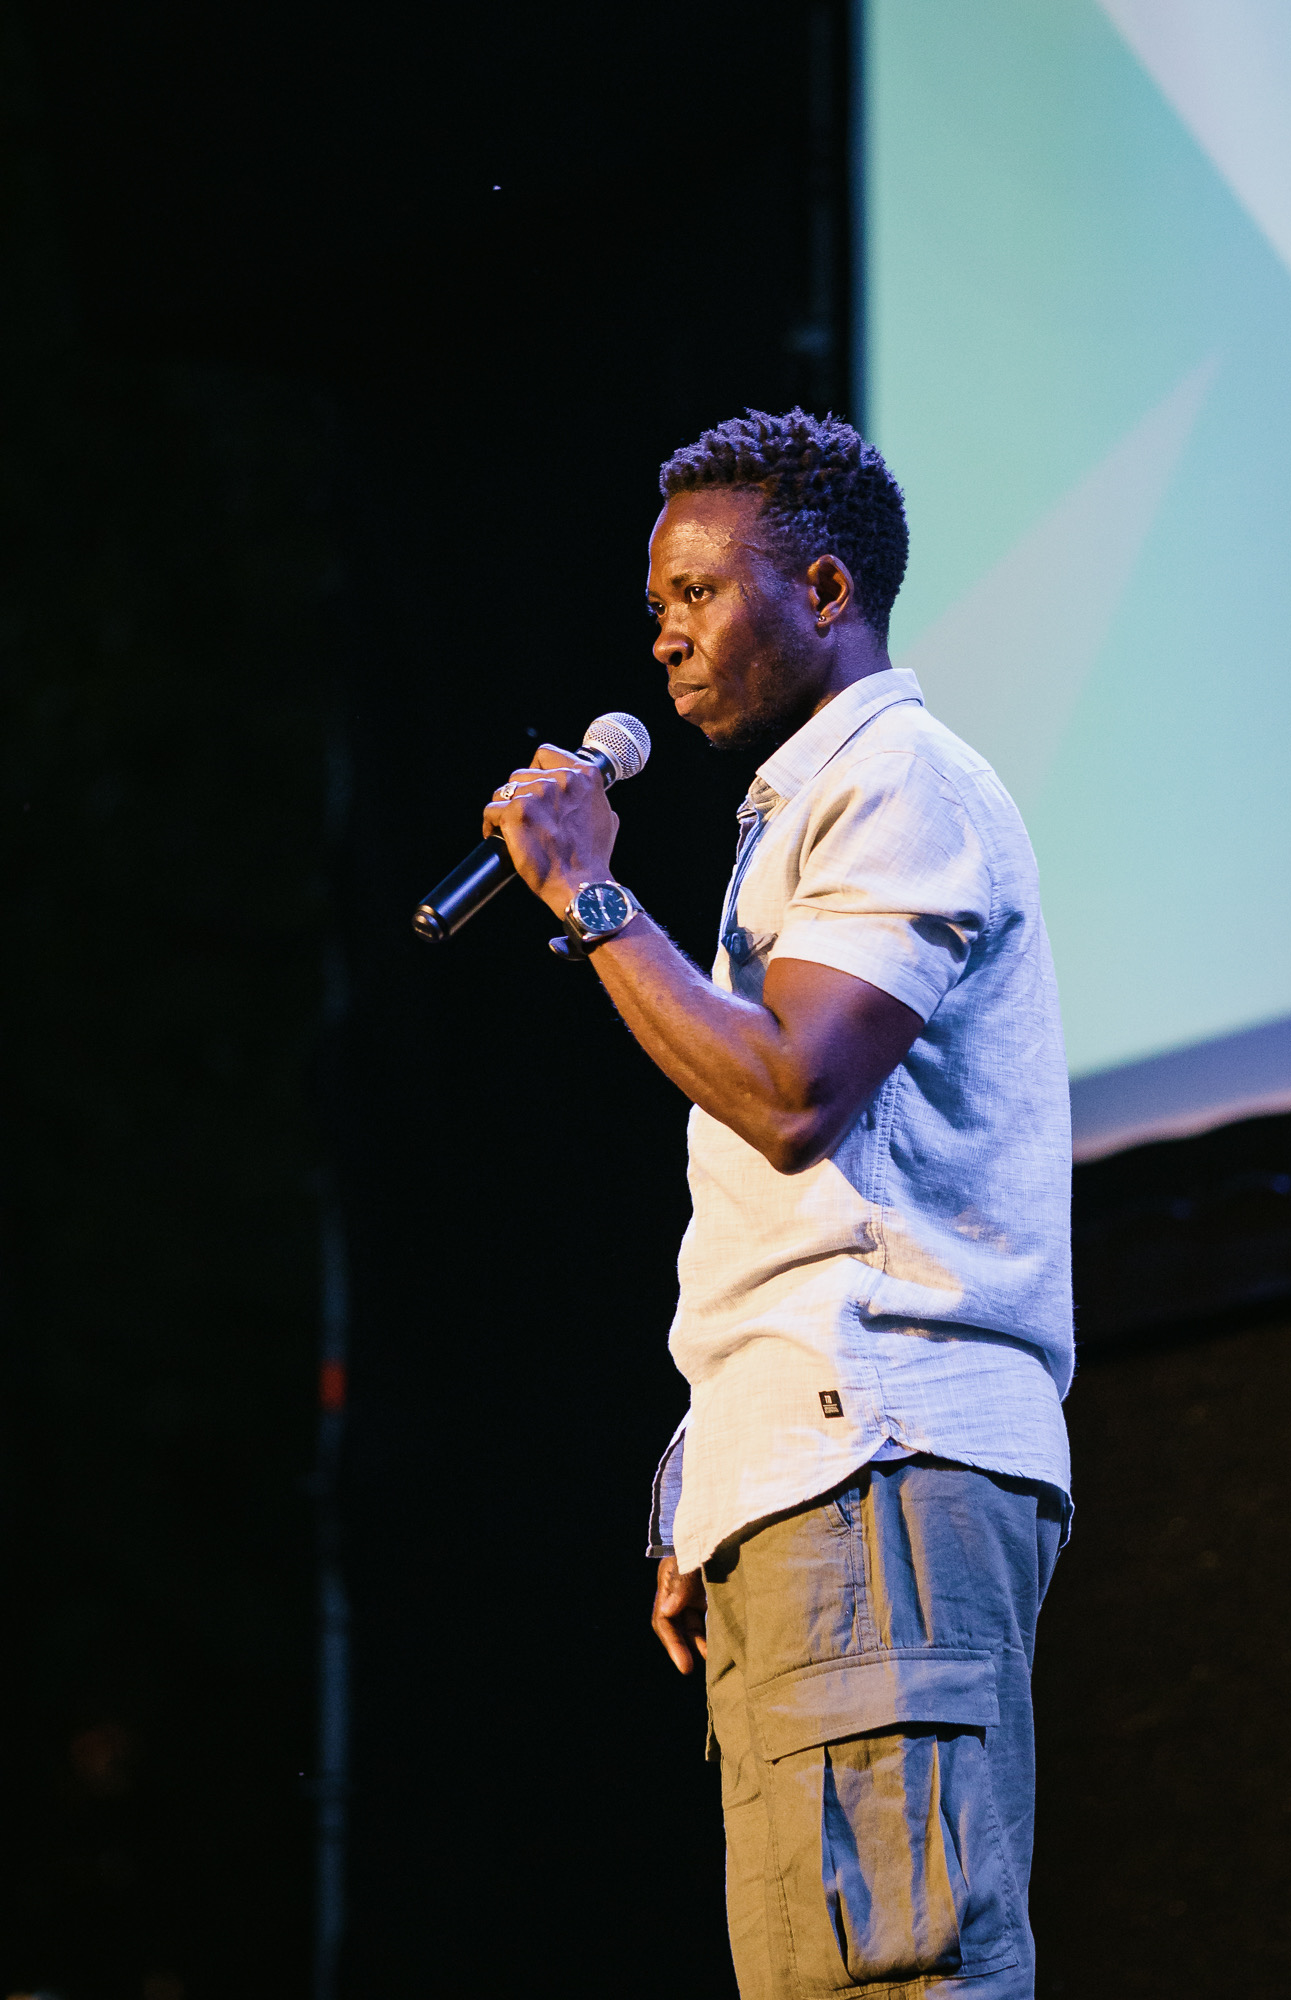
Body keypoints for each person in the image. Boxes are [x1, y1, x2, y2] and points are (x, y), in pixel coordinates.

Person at [482, 408, 1072, 2000]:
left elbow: (794, 1093)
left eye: (695, 593)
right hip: (807, 1464)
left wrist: (593, 897)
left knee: (897, 1979)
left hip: (876, 1453)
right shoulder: (800, 818)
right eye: (655, 602)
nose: (661, 635)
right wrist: (720, 1463)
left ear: (822, 589)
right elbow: (805, 1209)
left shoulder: (899, 783)